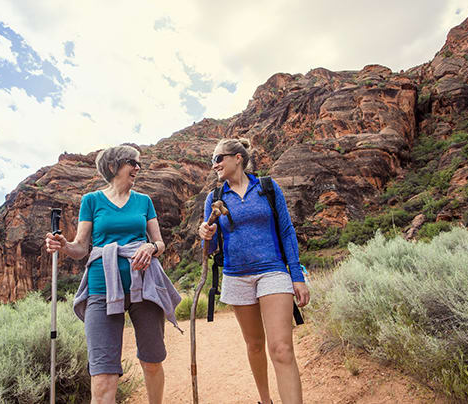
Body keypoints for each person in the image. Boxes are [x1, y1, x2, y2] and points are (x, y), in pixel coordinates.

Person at [45, 145, 181, 404]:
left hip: (145, 286)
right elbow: (81, 247)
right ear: (112, 166)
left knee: (152, 361)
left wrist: (151, 247)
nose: (138, 168)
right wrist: (64, 245)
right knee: (103, 373)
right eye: (133, 162)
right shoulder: (92, 200)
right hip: (101, 288)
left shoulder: (144, 201)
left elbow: (160, 244)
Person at [198, 138, 310, 404]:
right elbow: (211, 248)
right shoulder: (214, 198)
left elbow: (286, 231)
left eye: (218, 159)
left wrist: (297, 276)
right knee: (255, 345)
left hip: (273, 271)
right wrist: (206, 234)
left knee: (281, 348)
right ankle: (265, 401)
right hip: (236, 275)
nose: (214, 165)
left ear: (237, 157)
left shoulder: (268, 188)